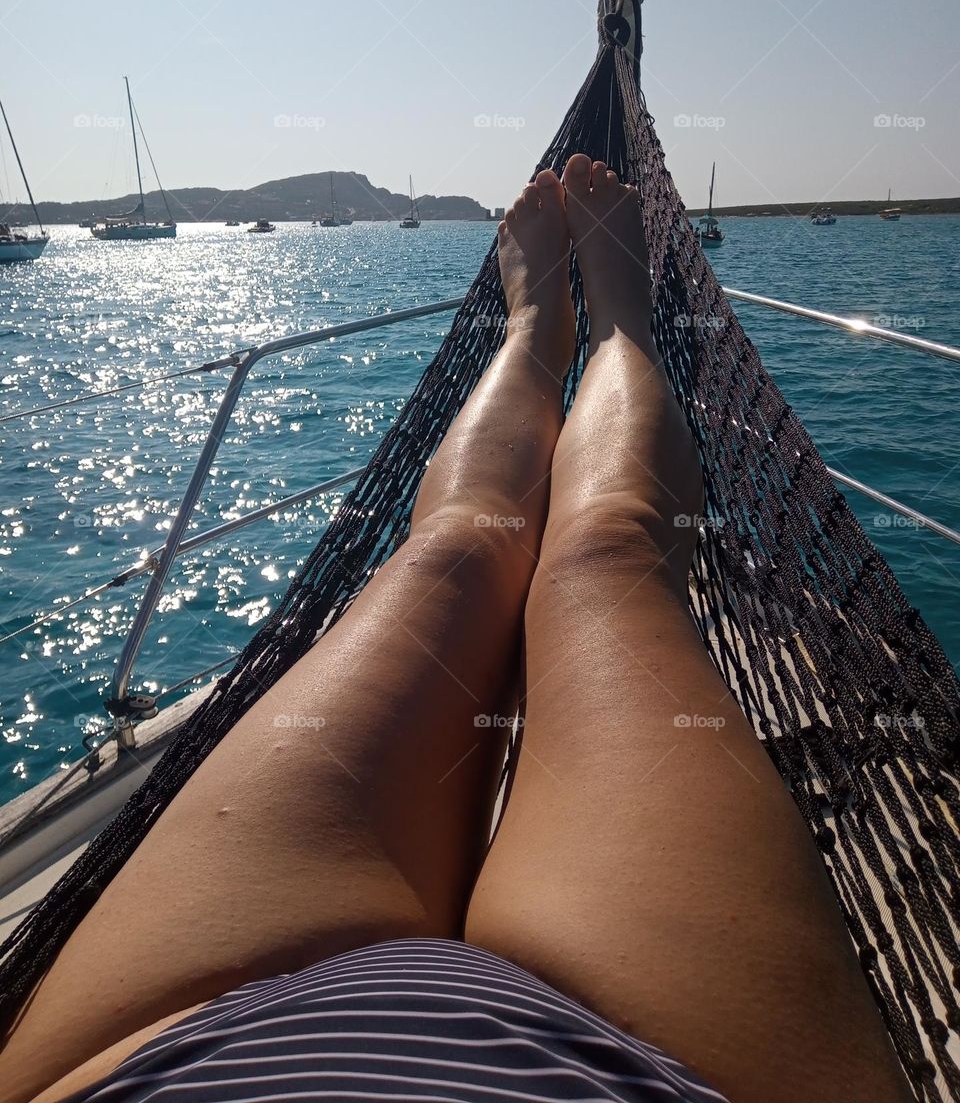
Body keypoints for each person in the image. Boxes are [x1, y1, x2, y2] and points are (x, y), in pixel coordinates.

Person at [2, 157, 910, 1103]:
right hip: (638, 1068)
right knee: (603, 552)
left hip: (176, 1057)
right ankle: (618, 321)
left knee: (452, 547)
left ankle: (533, 333)